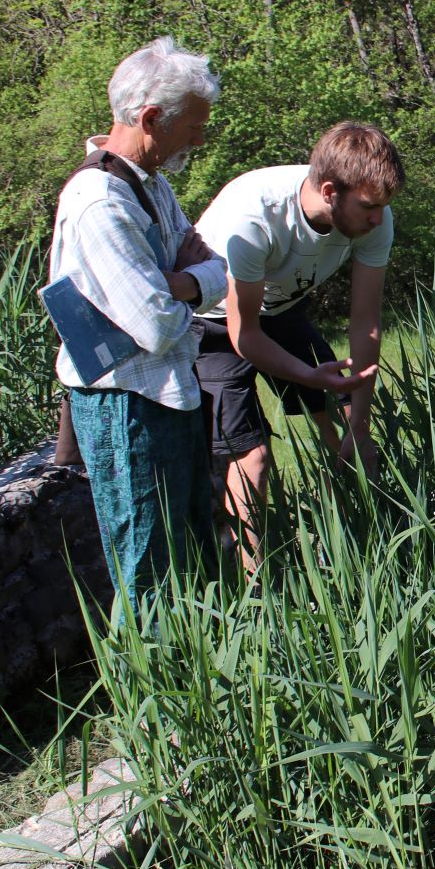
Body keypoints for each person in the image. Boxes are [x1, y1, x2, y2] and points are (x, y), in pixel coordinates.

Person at [50, 38, 309, 612]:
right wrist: (190, 281)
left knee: (189, 552)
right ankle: (150, 693)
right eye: (193, 125)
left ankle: (197, 678)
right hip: (127, 405)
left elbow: (209, 259)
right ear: (149, 118)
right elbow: (159, 325)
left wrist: (184, 278)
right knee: (146, 571)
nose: (200, 138)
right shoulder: (100, 203)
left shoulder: (151, 187)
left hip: (169, 395)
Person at [191, 122, 404, 562]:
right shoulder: (254, 218)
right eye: (369, 207)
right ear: (329, 191)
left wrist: (360, 427)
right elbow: (244, 335)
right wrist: (307, 373)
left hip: (279, 309)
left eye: (383, 207)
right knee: (253, 458)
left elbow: (365, 321)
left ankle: (359, 545)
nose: (378, 219)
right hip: (210, 324)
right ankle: (257, 586)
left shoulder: (372, 216)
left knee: (346, 421)